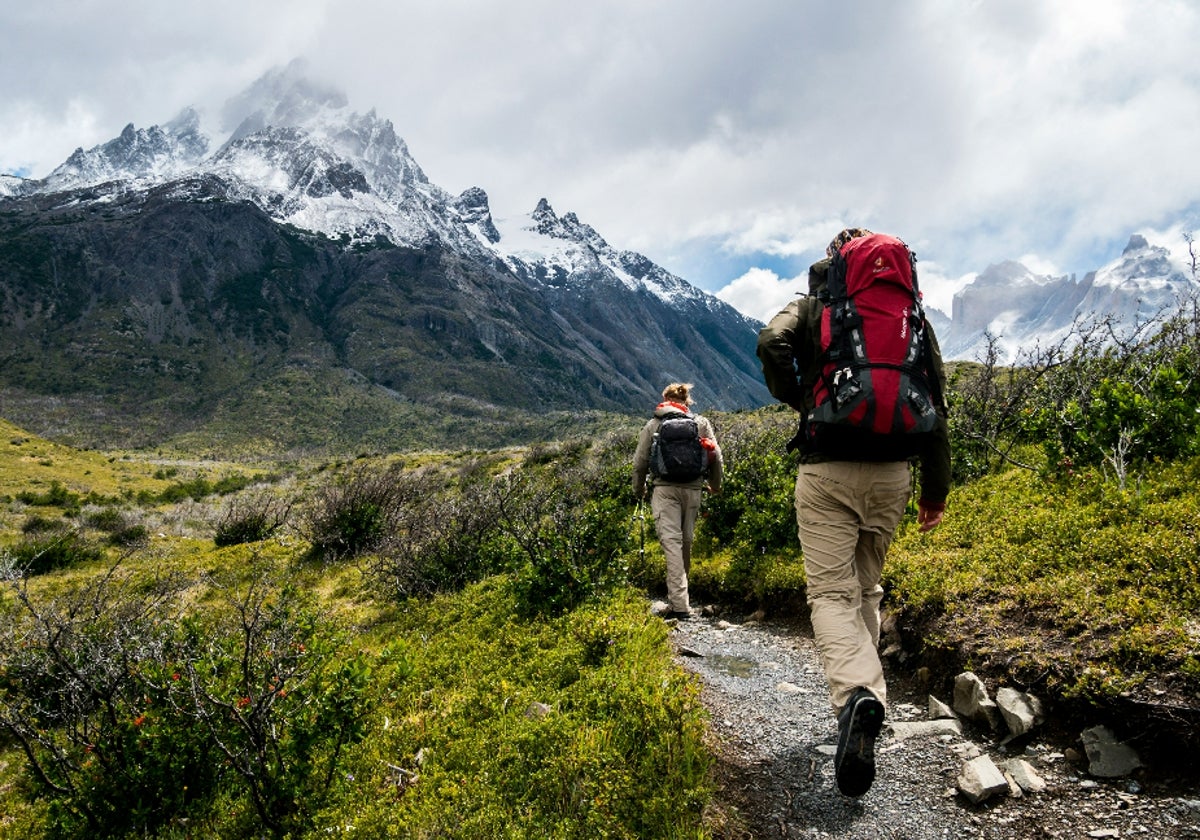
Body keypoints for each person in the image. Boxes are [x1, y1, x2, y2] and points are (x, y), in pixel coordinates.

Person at [756, 227, 951, 797]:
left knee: (830, 595)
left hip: (828, 469)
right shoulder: (910, 316)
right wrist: (934, 493)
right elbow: (936, 400)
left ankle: (857, 698)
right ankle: (867, 701)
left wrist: (802, 397)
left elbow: (771, 342)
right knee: (866, 589)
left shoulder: (817, 305)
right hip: (894, 474)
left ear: (836, 261)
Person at [632, 382, 724, 620]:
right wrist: (715, 485)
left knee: (672, 544)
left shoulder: (654, 424)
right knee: (685, 542)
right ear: (687, 401)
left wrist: (639, 489)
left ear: (665, 399)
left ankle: (680, 605)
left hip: (664, 490)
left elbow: (640, 462)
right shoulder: (701, 423)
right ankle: (681, 598)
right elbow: (716, 456)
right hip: (693, 490)